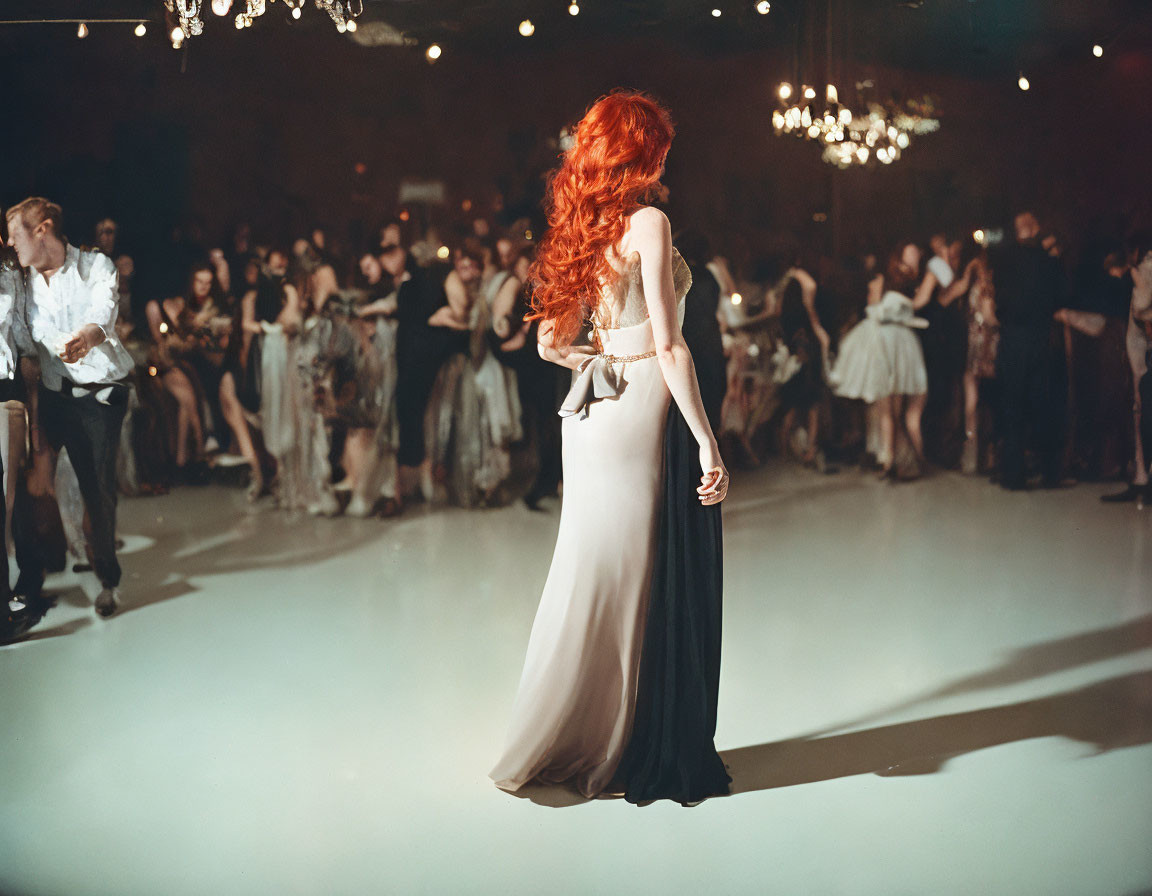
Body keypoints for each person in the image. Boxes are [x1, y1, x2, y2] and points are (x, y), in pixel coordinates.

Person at [490, 90, 731, 806]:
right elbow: (668, 343)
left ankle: (565, 733)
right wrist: (708, 441)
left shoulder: (582, 228)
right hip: (641, 405)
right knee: (632, 577)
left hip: (590, 410)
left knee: (589, 569)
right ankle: (622, 743)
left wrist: (603, 360)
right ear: (643, 152)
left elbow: (548, 344)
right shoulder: (649, 221)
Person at [7, 197, 133, 618]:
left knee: (97, 490)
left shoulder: (96, 267)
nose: (9, 242)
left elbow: (104, 312)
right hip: (51, 394)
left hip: (98, 396)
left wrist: (87, 337)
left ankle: (108, 582)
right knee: (33, 485)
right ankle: (36, 575)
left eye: (15, 233)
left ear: (42, 229)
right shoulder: (22, 281)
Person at [991, 211, 1066, 490]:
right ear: (1035, 229)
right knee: (1042, 406)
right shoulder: (1048, 262)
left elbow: (999, 301)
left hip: (1012, 338)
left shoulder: (1003, 260)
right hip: (1040, 338)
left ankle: (1014, 476)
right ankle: (1049, 473)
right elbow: (1061, 296)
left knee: (1012, 407)